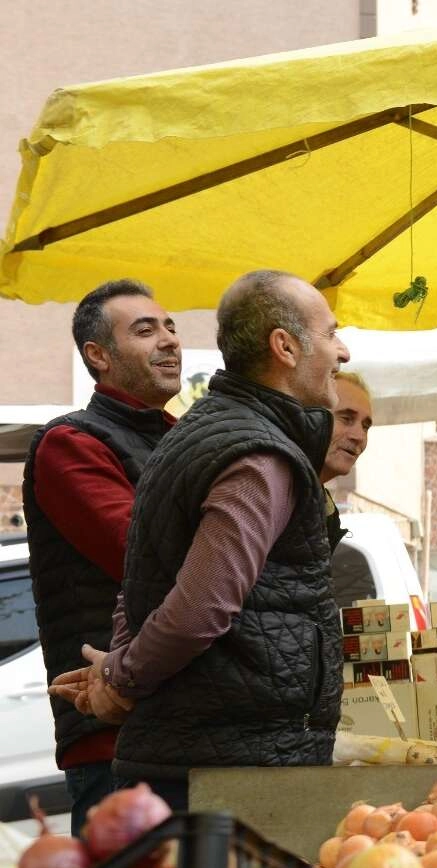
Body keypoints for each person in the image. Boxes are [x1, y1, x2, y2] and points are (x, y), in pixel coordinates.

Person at [48, 269, 352, 811]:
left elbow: (146, 577)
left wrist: (121, 673)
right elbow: (197, 603)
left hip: (191, 744)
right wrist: (121, 675)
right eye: (331, 334)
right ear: (283, 347)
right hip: (230, 761)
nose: (343, 351)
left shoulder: (188, 433)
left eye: (170, 326)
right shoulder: (256, 454)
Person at [23, 280, 181, 834]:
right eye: (145, 330)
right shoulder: (71, 443)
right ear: (98, 356)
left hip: (185, 725)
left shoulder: (180, 439)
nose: (169, 341)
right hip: (117, 743)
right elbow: (142, 557)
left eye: (170, 327)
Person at [321, 372, 375, 607]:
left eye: (365, 426)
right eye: (346, 418)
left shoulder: (321, 506)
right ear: (311, 418)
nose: (359, 437)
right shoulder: (274, 489)